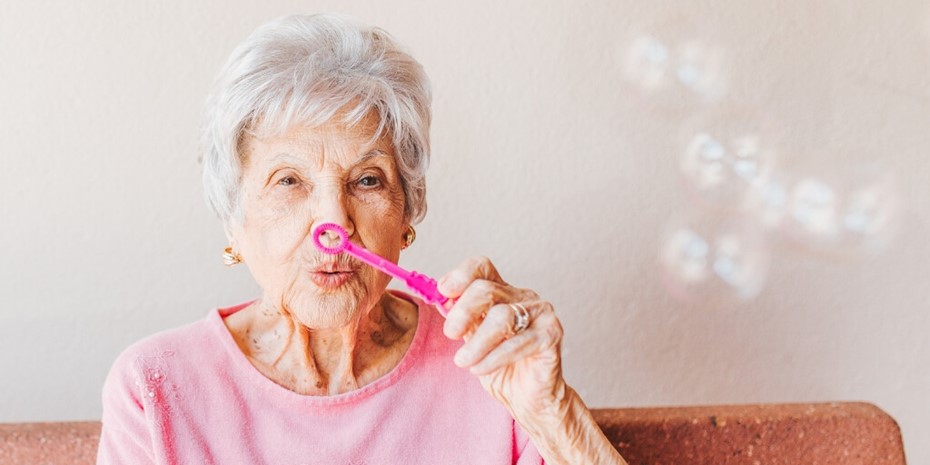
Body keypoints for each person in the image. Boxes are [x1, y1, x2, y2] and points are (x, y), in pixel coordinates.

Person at [96, 13, 628, 465]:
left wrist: (552, 411)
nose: (336, 224)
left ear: (406, 213)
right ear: (234, 220)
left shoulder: (486, 363)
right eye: (289, 181)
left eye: (367, 180)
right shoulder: (155, 388)